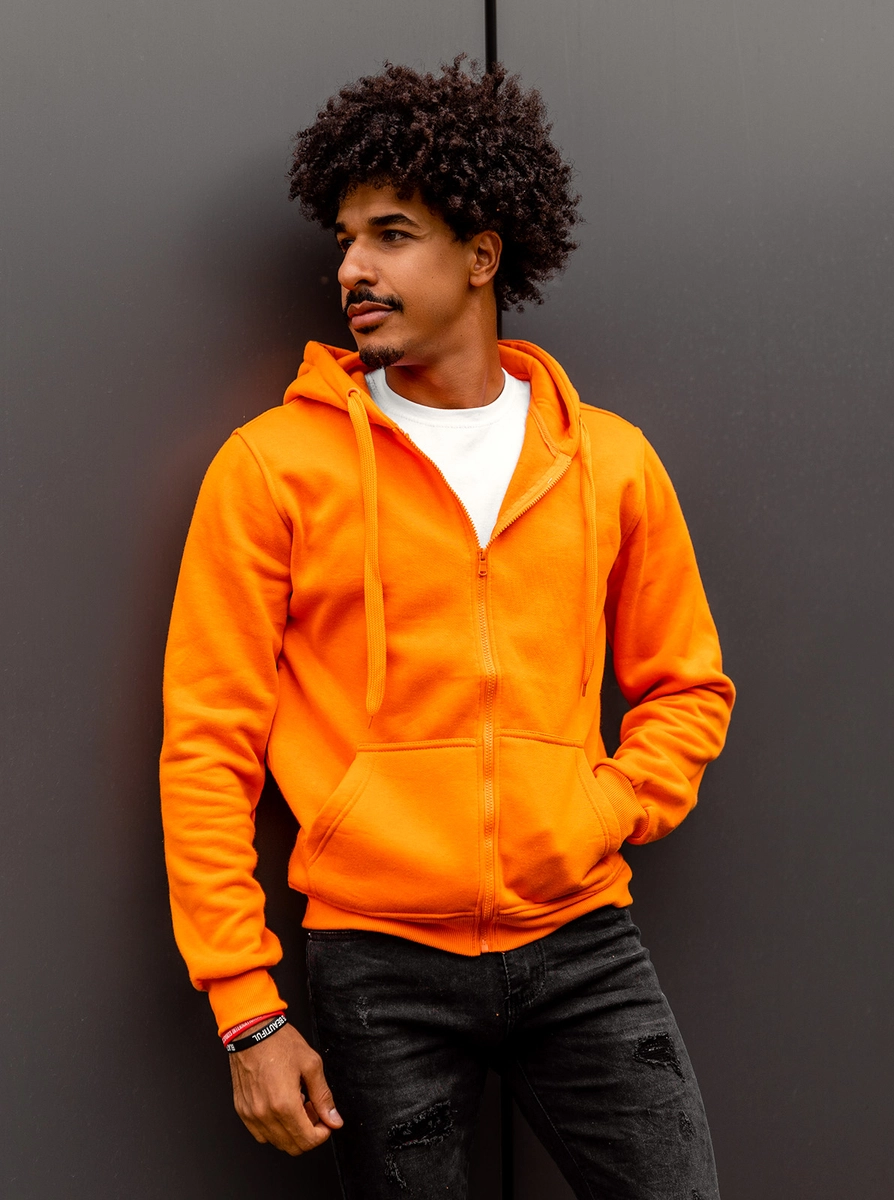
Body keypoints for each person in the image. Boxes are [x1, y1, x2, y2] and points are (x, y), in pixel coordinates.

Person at [160, 58, 735, 1199]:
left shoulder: (609, 461)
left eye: (392, 234)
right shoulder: (273, 468)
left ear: (483, 255)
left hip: (584, 943)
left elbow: (688, 687)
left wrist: (605, 808)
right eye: (345, 239)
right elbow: (207, 744)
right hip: (376, 962)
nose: (352, 269)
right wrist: (246, 1009)